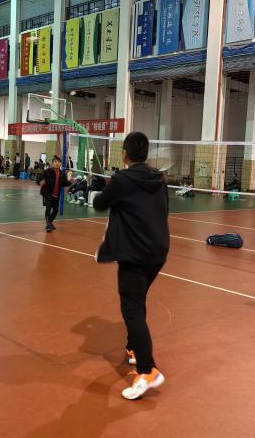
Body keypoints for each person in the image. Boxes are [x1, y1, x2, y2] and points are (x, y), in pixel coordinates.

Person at [93, 132, 169, 400]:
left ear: (125, 154)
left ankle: (148, 371)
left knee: (132, 309)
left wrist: (104, 188)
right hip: (158, 252)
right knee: (137, 300)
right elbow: (164, 211)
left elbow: (99, 203)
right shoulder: (159, 179)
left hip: (135, 255)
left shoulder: (123, 179)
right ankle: (133, 347)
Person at [39, 155, 71, 232]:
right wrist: (40, 182)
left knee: (56, 210)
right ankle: (48, 225)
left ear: (60, 164)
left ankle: (49, 222)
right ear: (52, 163)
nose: (57, 163)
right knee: (48, 208)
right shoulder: (47, 172)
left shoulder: (62, 173)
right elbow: (39, 180)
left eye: (59, 162)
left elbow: (64, 184)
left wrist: (69, 180)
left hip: (56, 194)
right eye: (55, 162)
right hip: (47, 193)